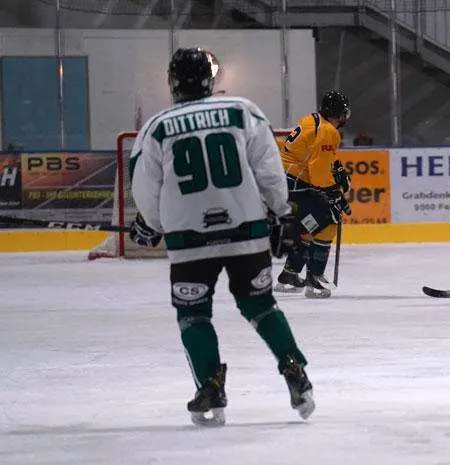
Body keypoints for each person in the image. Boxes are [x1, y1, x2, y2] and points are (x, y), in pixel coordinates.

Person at [128, 47, 314, 426]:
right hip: (246, 230)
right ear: (210, 80)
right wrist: (282, 211)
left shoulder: (157, 126)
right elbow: (268, 167)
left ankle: (211, 387)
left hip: (189, 240)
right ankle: (294, 368)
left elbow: (145, 186)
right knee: (261, 306)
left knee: (193, 314)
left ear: (172, 82)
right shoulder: (242, 110)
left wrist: (152, 223)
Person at [273, 91, 353, 298]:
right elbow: (318, 172)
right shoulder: (329, 131)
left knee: (311, 226)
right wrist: (334, 194)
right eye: (344, 112)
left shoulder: (313, 120)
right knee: (328, 223)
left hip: (285, 182)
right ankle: (313, 280)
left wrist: (335, 169)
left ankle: (289, 274)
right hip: (295, 185)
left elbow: (316, 156)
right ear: (339, 113)